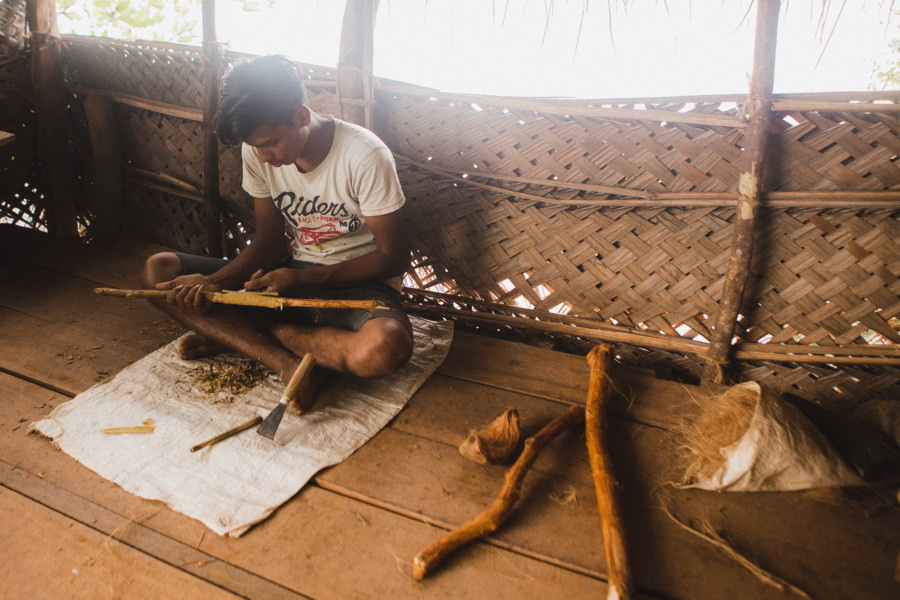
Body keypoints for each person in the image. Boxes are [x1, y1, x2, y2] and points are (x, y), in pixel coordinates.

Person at [141, 54, 414, 411]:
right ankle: (286, 362)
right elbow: (269, 242)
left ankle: (252, 333)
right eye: (256, 146)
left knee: (384, 348)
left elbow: (393, 258)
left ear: (301, 116)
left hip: (358, 284)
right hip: (289, 275)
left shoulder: (363, 156)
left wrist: (303, 280)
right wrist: (218, 281)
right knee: (158, 271)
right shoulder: (257, 148)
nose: (264, 156)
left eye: (270, 143)